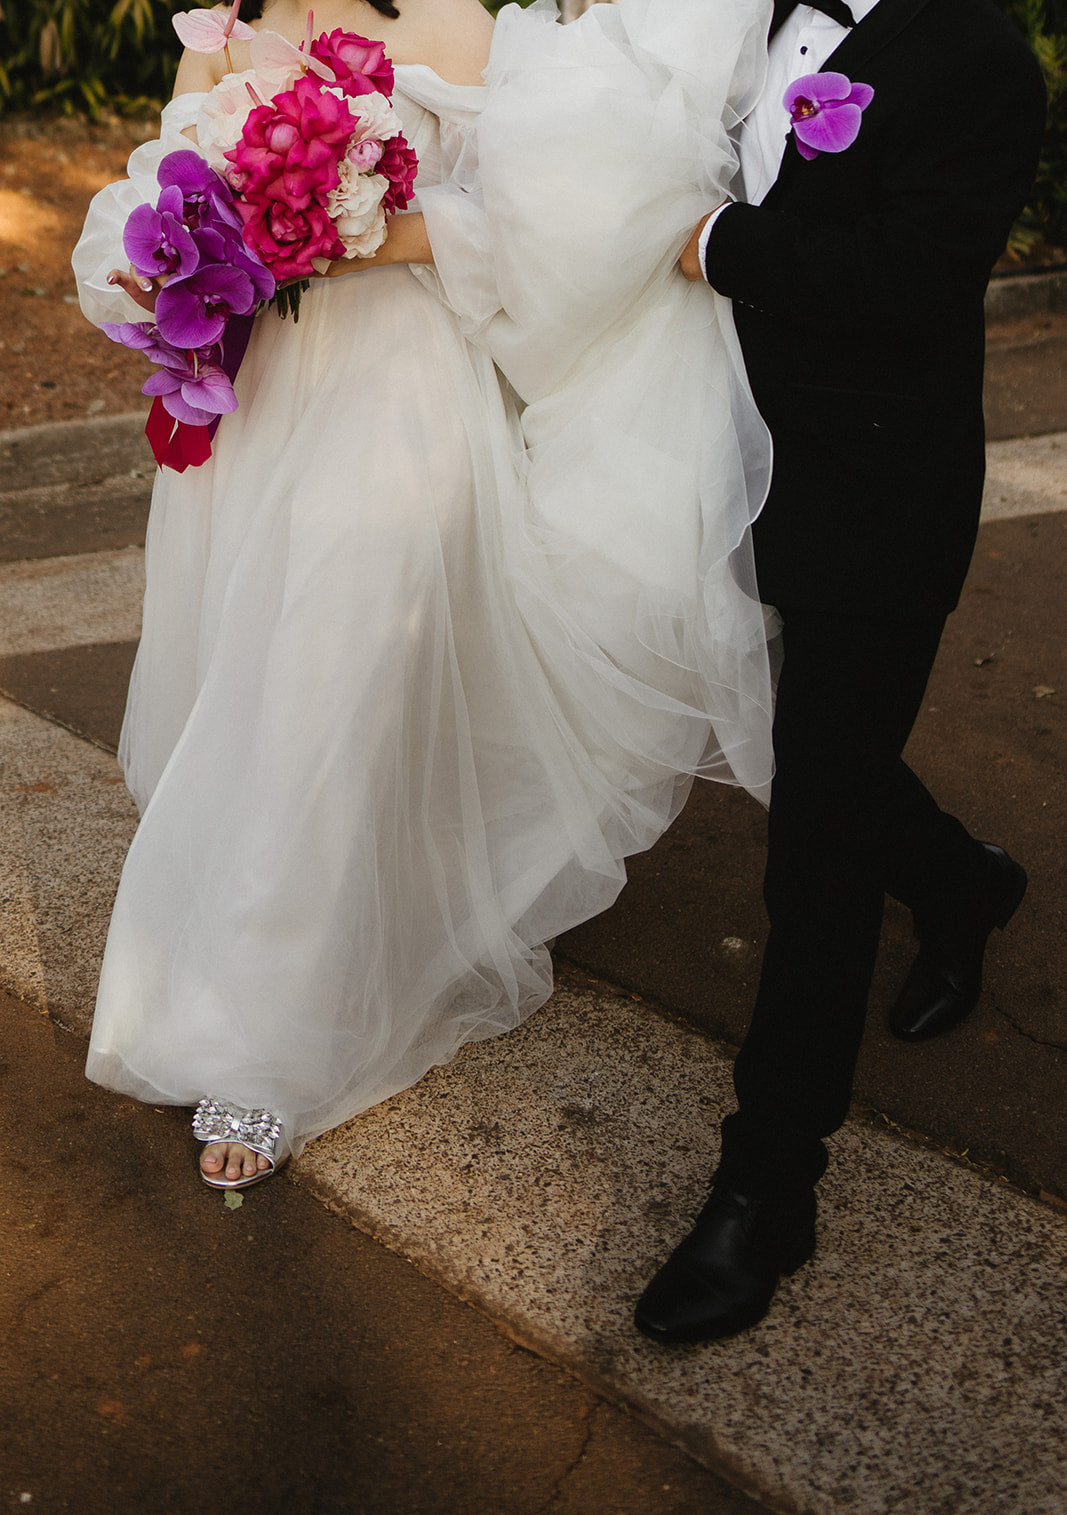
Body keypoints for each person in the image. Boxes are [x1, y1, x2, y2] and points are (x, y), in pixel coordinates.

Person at [73, 0, 777, 1188]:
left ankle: (260, 1054)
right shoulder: (222, 19)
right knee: (243, 691)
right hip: (258, 399)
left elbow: (522, 223)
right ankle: (286, 934)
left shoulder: (458, 19)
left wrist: (344, 223)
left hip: (399, 400)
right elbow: (160, 173)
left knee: (321, 694)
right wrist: (159, 258)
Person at [634, 0, 1047, 1344]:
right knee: (809, 753)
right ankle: (958, 883)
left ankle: (766, 1186)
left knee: (810, 827)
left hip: (878, 491)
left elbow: (905, 279)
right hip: (722, 464)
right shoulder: (731, 19)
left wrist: (707, 243)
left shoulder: (976, 56)